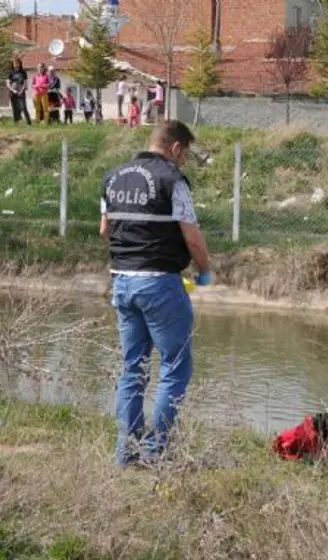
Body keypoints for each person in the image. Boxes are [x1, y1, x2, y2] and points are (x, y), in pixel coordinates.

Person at [99, 120, 213, 467]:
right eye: (185, 155)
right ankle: (155, 451)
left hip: (121, 280)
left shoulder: (113, 177)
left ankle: (126, 452)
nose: (184, 162)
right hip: (160, 283)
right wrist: (205, 269)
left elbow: (106, 230)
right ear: (176, 148)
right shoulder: (172, 180)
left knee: (133, 367)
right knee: (175, 367)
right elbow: (192, 236)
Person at [7, 57, 32, 125]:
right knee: (15, 108)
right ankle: (16, 123)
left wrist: (21, 90)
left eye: (17, 63)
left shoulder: (23, 72)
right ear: (13, 64)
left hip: (21, 91)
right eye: (15, 64)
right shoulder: (10, 72)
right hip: (12, 92)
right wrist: (13, 90)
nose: (16, 65)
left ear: (20, 64)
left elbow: (25, 83)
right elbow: (8, 84)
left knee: (23, 107)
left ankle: (29, 123)